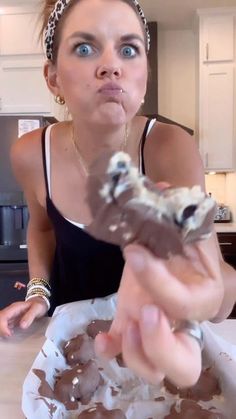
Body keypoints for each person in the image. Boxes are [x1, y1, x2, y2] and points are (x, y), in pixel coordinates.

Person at [0, 0, 235, 388]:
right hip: (68, 348)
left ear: (144, 75)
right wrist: (40, 293)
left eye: (128, 49)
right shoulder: (30, 153)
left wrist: (206, 290)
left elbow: (218, 292)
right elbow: (42, 229)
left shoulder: (168, 149)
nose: (112, 65)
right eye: (85, 47)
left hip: (153, 345)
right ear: (53, 77)